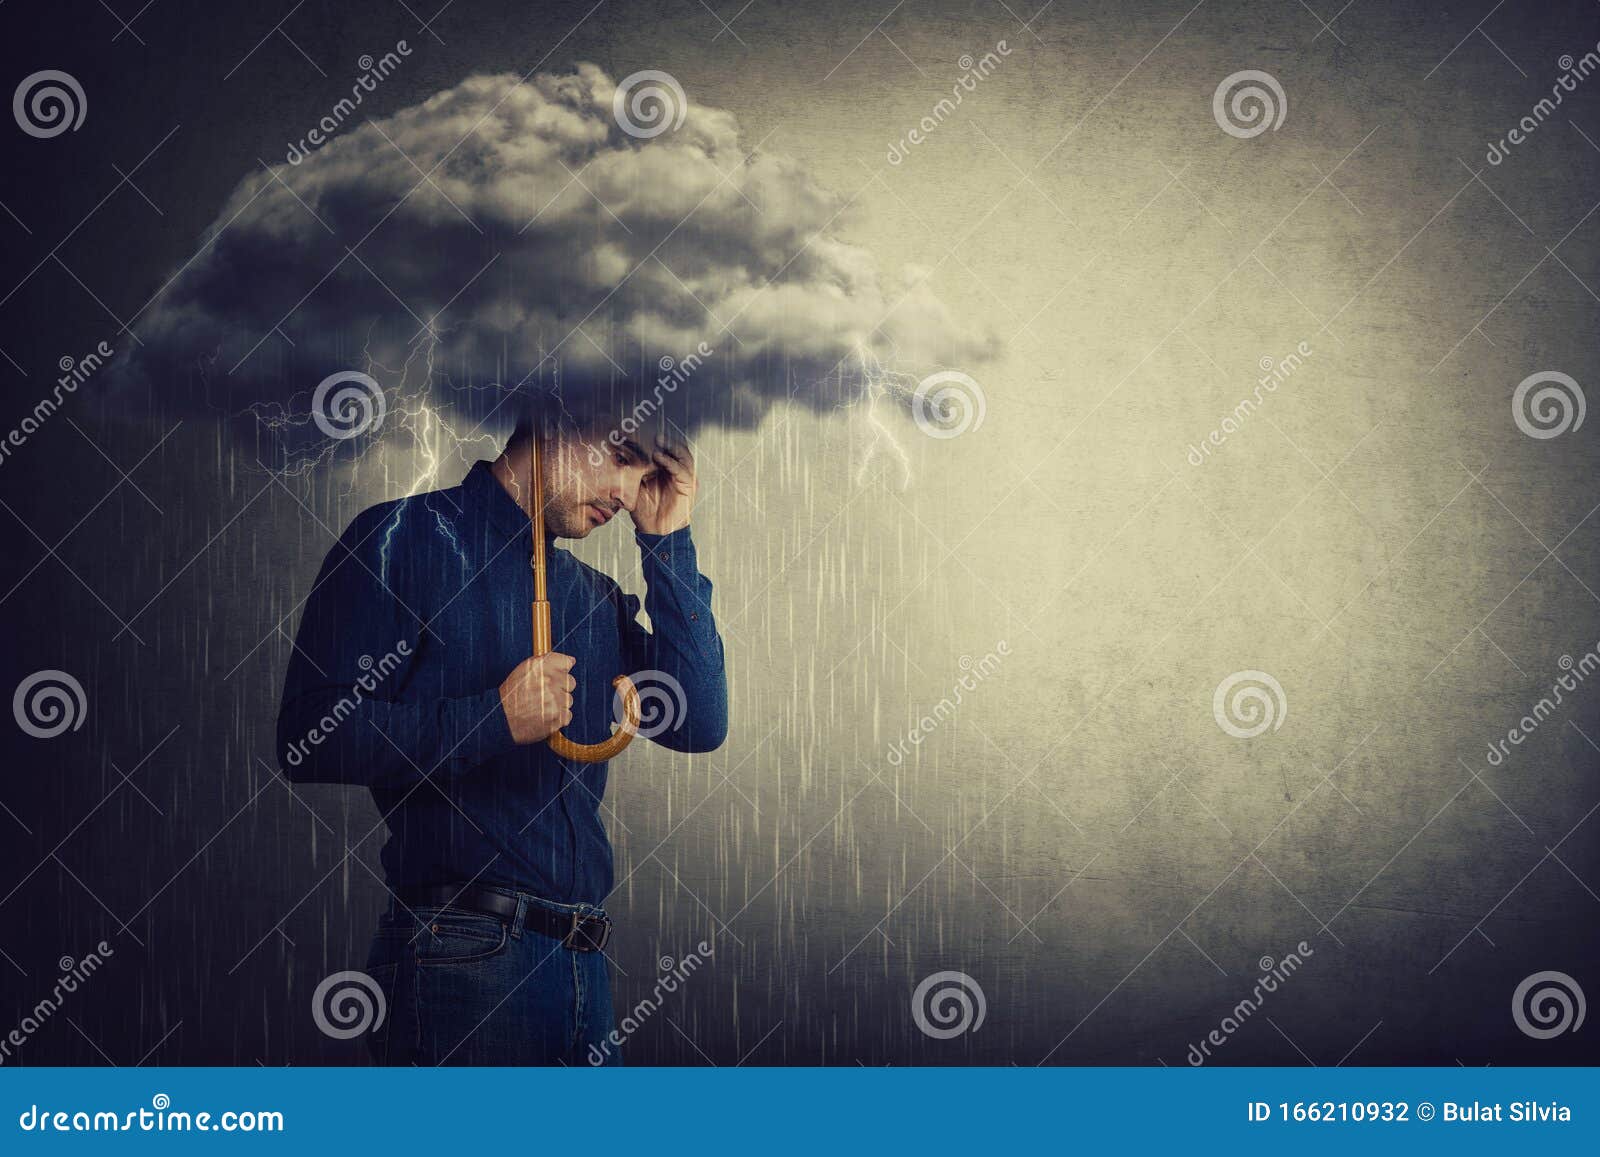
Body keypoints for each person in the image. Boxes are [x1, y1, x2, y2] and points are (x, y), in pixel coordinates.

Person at [276, 409, 728, 1064]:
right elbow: (310, 735)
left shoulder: (592, 597)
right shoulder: (400, 539)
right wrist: (493, 719)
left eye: (646, 476)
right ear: (555, 415)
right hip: (461, 958)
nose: (628, 494)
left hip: (583, 969)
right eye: (623, 456)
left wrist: (668, 538)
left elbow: (698, 721)